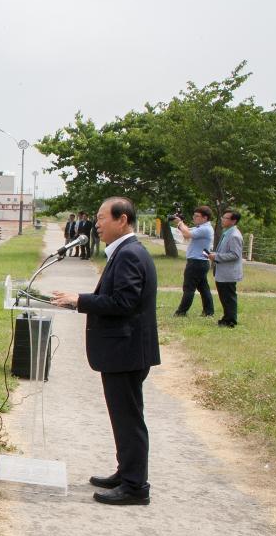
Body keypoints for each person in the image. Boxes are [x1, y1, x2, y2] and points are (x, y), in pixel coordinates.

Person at [51, 196, 159, 506]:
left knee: (129, 419)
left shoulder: (130, 255)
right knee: (123, 417)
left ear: (122, 220)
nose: (97, 224)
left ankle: (136, 487)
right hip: (124, 350)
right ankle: (126, 473)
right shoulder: (125, 252)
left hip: (126, 351)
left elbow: (123, 303)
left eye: (102, 218)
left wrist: (79, 300)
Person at [172, 205, 215, 318]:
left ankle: (181, 312)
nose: (194, 218)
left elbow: (186, 234)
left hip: (196, 262)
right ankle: (208, 311)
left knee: (189, 288)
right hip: (200, 262)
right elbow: (187, 232)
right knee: (203, 288)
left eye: (197, 216)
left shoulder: (204, 229)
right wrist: (181, 223)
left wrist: (180, 223)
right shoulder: (202, 227)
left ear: (205, 218)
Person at [208, 209, 244, 328]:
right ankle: (226, 318)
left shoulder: (234, 235)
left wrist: (216, 256)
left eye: (226, 218)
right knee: (224, 297)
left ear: (233, 221)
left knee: (228, 297)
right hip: (223, 272)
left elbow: (235, 255)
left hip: (228, 273)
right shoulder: (227, 232)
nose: (223, 220)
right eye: (223, 217)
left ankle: (230, 321)